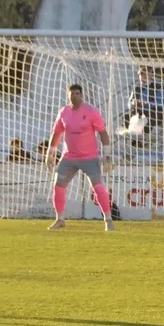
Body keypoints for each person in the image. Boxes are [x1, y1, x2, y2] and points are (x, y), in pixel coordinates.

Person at [45, 84, 114, 231]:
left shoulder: (91, 111)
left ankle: (108, 220)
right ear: (68, 96)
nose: (75, 96)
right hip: (69, 156)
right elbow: (56, 133)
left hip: (89, 157)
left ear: (82, 95)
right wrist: (50, 153)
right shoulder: (64, 112)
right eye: (72, 94)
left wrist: (107, 155)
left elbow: (103, 133)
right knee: (58, 185)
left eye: (77, 93)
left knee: (98, 187)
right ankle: (60, 219)